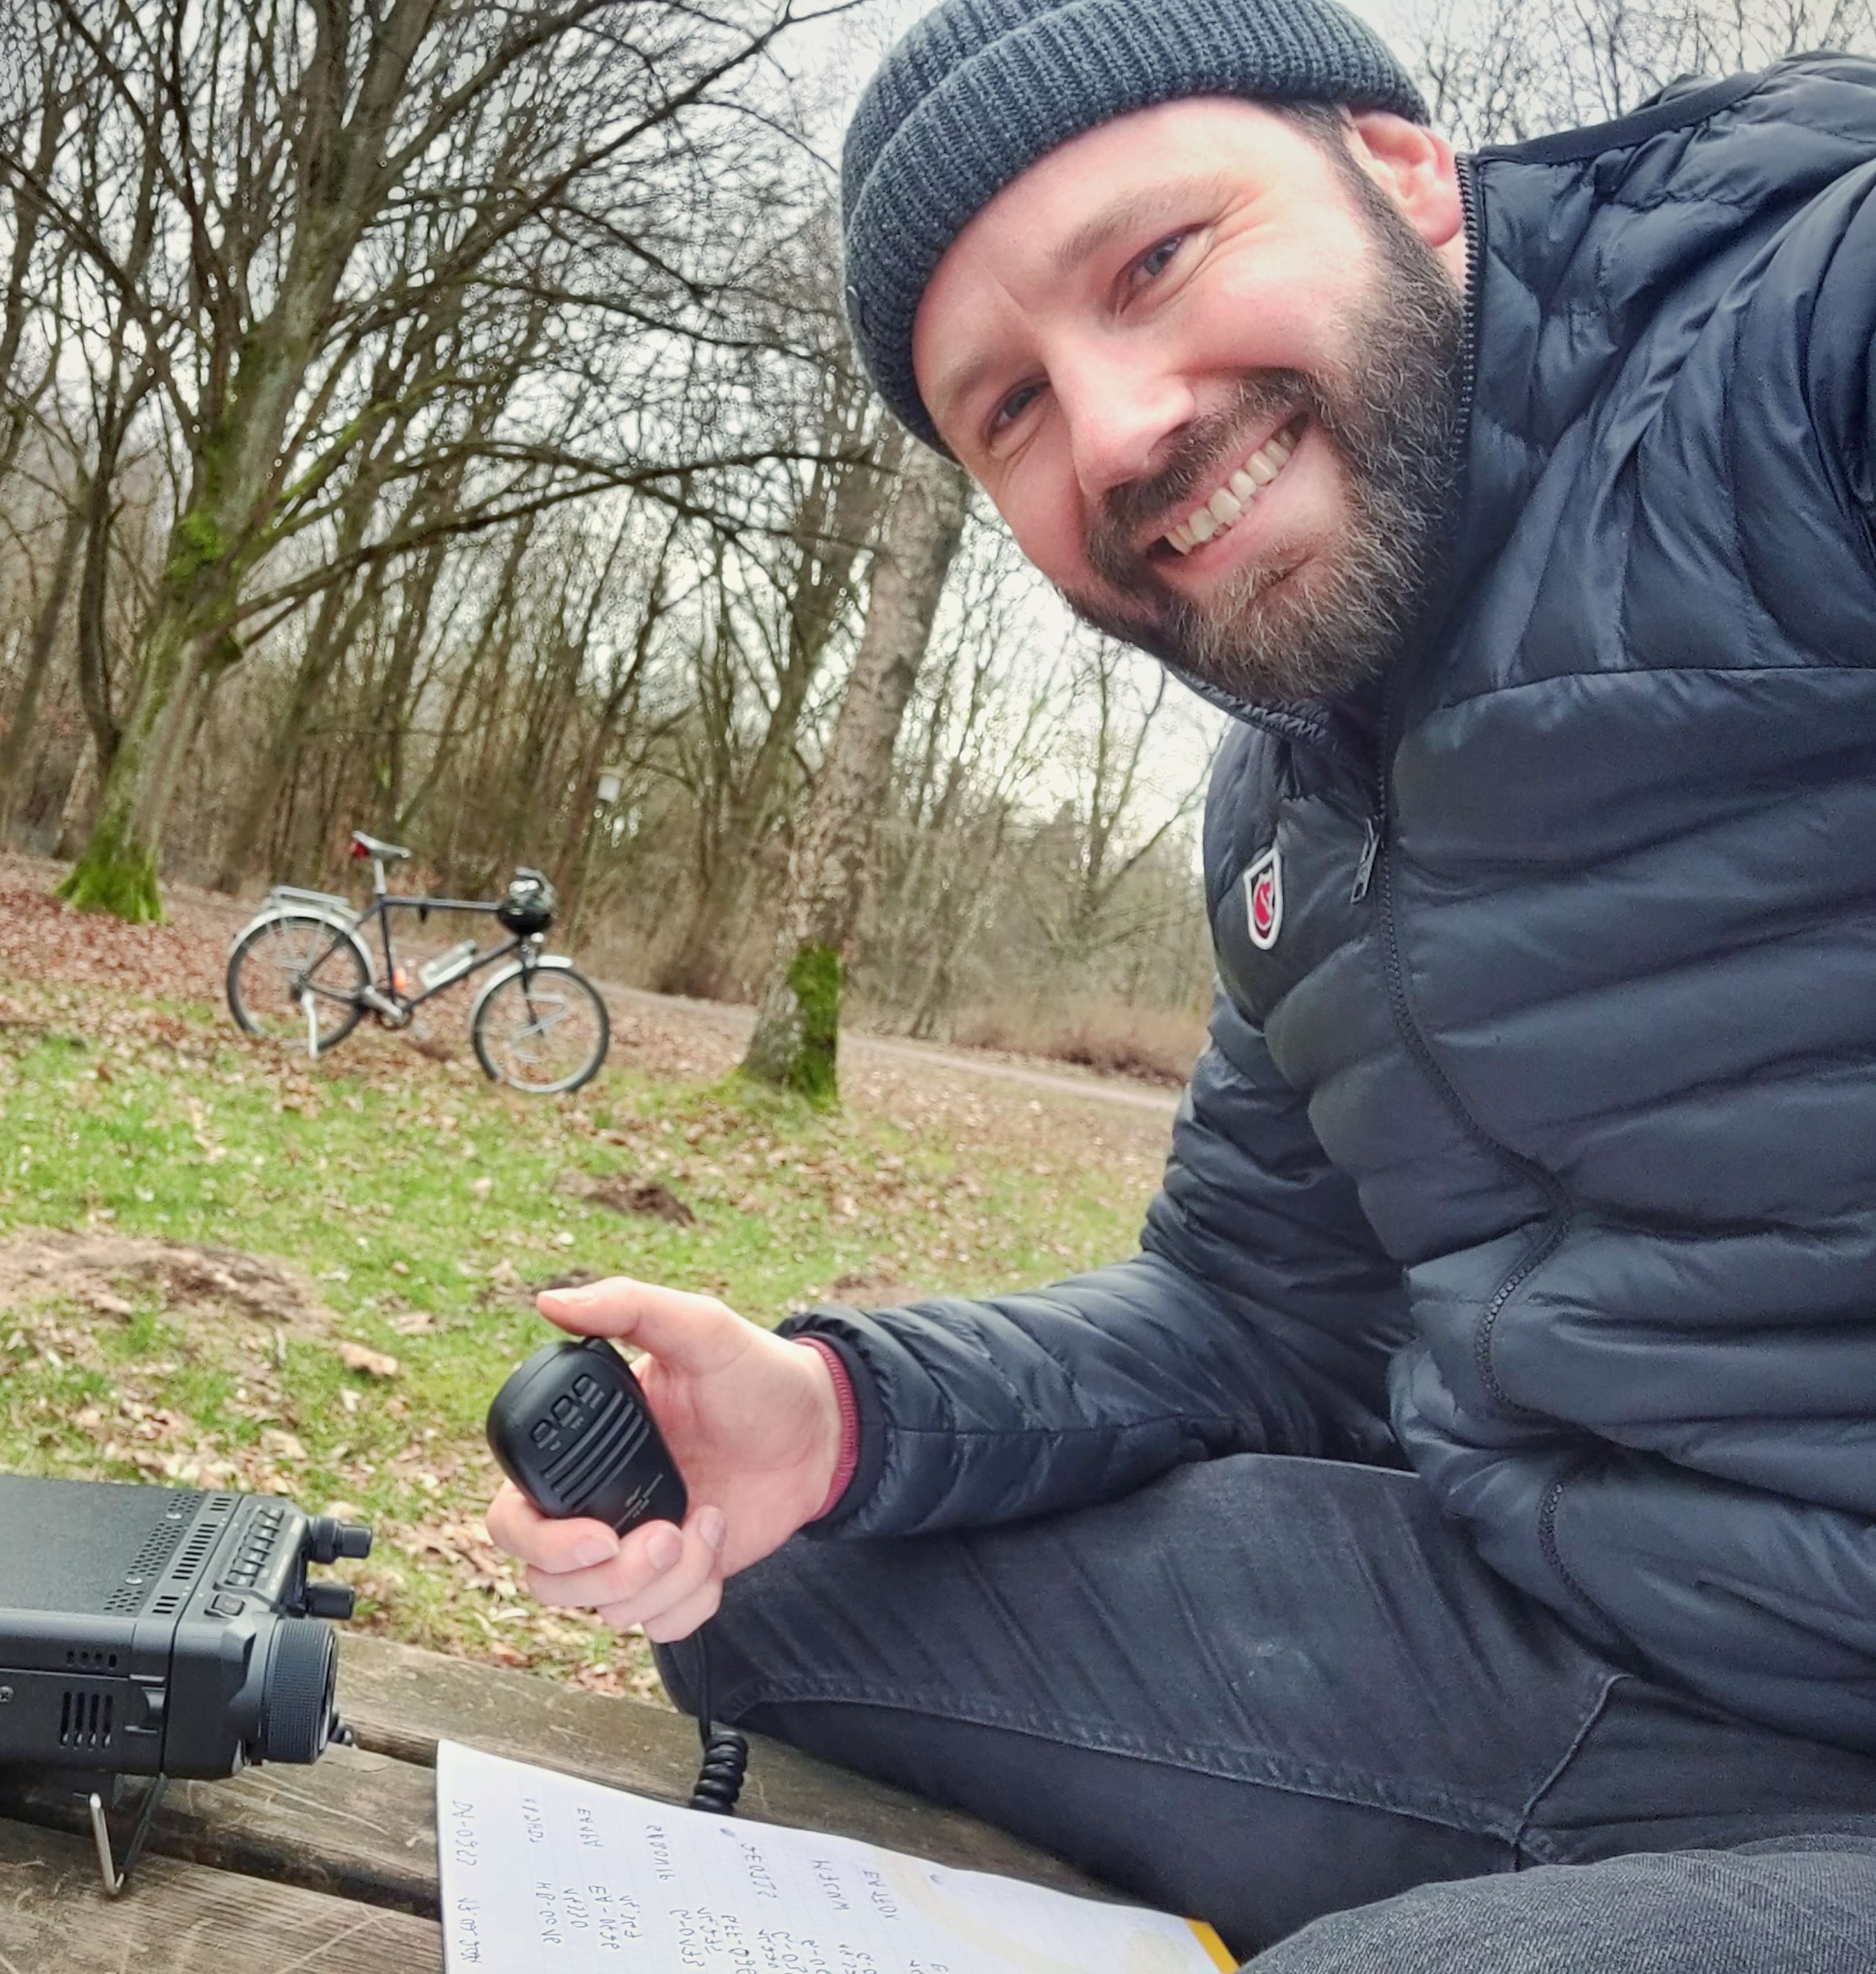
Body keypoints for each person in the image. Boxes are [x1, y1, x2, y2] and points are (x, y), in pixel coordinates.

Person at [483, 1, 1876, 1964]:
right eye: (1011, 410)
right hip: (1603, 1652)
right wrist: (835, 1415)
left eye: (1154, 262)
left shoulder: (1803, 343)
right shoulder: (1293, 805)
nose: (1121, 431)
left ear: (1405, 174)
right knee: (775, 1591)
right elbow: (1251, 1317)